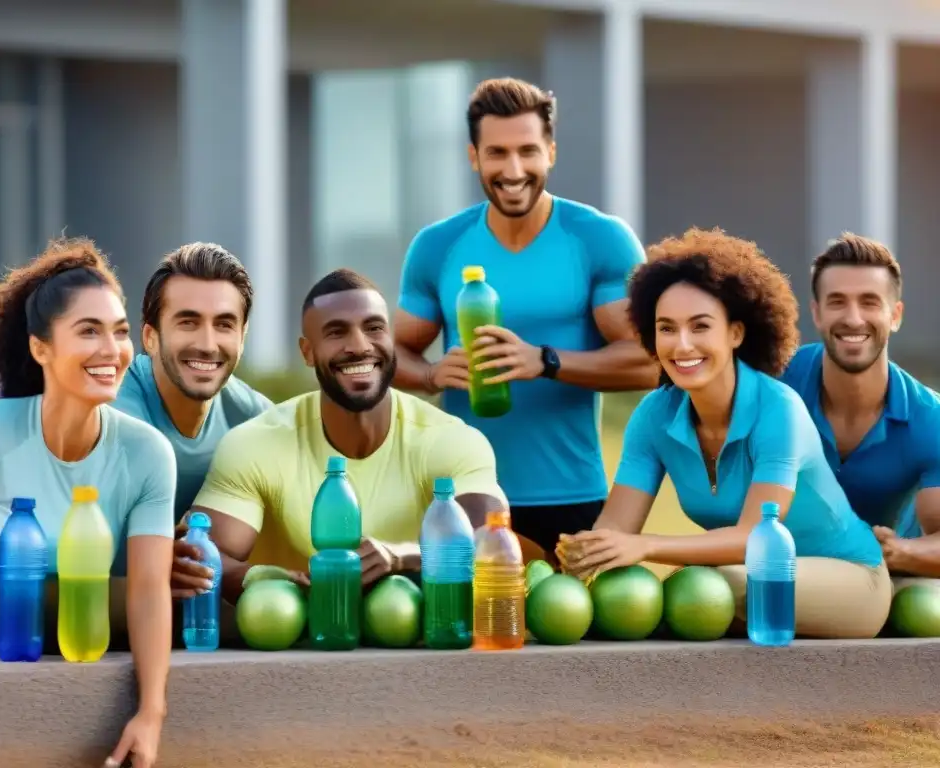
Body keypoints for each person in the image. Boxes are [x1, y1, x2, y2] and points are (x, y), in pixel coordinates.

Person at [0, 238, 175, 768]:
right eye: (89, 331)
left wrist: (150, 713)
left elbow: (149, 592)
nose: (112, 349)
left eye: (120, 332)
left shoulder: (149, 452)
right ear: (41, 348)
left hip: (84, 650)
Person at [560, 228, 890, 639]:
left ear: (735, 333)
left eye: (700, 327)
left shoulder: (779, 410)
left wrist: (646, 547)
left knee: (710, 589)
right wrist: (585, 555)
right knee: (682, 590)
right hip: (741, 580)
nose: (681, 345)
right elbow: (615, 531)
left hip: (851, 581)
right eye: (666, 328)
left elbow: (755, 537)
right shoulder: (653, 416)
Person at [393, 77, 659, 560]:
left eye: (527, 151)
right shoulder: (438, 246)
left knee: (571, 632)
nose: (513, 170)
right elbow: (387, 354)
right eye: (497, 153)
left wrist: (546, 360)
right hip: (467, 496)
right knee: (474, 635)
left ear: (550, 152)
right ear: (474, 157)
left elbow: (647, 362)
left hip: (572, 496)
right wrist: (431, 374)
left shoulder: (599, 239)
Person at [185, 269, 508, 607]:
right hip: (299, 644)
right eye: (337, 332)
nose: (359, 346)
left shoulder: (452, 440)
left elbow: (491, 543)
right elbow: (204, 556)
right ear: (307, 352)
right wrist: (281, 580)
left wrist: (402, 556)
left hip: (421, 645)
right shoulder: (255, 444)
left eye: (374, 328)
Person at [110, 243, 272, 598]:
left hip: (199, 624)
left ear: (242, 338)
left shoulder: (256, 421)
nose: (208, 344)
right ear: (150, 337)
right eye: (188, 322)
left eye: (224, 324)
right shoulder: (113, 413)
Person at [781, 234, 940, 587]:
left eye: (870, 302)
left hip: (891, 576)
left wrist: (899, 552)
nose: (853, 319)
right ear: (817, 313)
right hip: (791, 566)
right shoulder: (777, 385)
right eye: (837, 302)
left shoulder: (930, 418)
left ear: (895, 315)